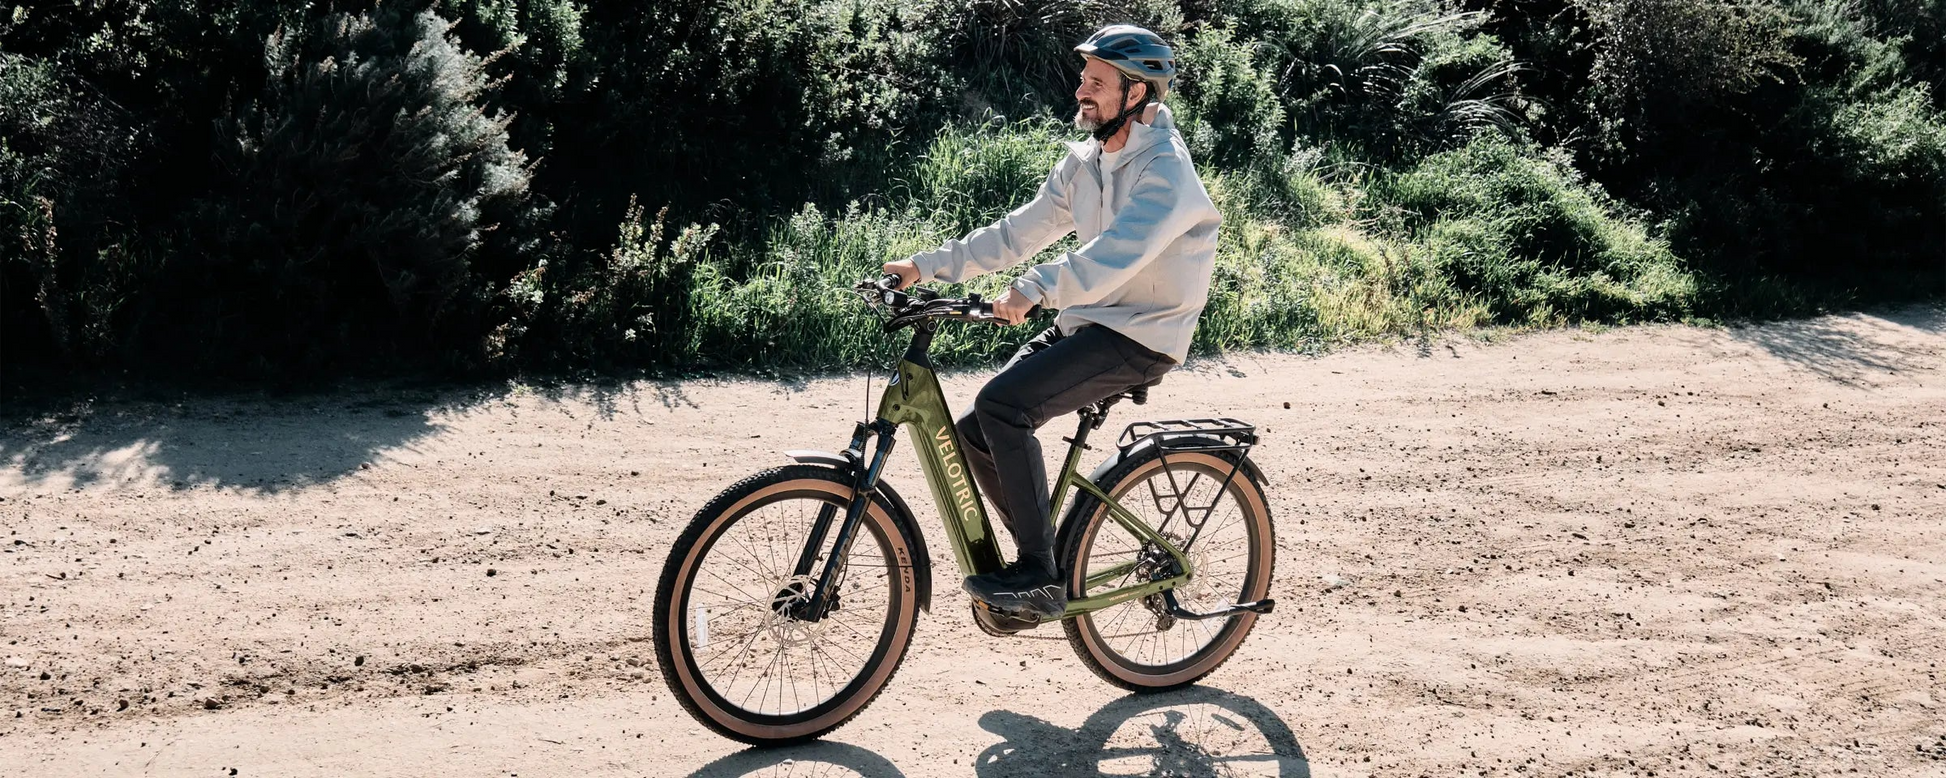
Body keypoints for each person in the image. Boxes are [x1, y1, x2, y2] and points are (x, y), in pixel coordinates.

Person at [880, 24, 1222, 621]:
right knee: (975, 430)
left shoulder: (1166, 172)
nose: (1081, 91)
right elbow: (1018, 232)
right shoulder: (1085, 162)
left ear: (1135, 94)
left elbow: (1117, 253)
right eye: (1083, 79)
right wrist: (925, 268)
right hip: (1089, 319)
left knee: (1004, 407)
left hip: (1143, 332)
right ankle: (1049, 559)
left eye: (1096, 82)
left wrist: (1038, 287)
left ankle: (1039, 574)